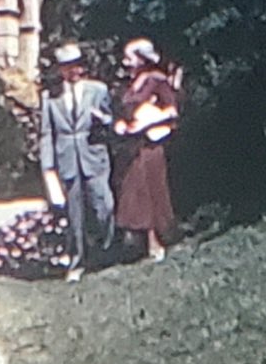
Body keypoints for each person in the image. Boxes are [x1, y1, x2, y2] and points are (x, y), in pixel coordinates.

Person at [39, 42, 116, 283]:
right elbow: (46, 134)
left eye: (75, 66)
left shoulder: (98, 90)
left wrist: (102, 118)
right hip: (67, 160)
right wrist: (48, 168)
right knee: (75, 216)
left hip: (93, 155)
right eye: (66, 67)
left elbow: (112, 122)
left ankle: (107, 251)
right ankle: (77, 261)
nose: (72, 71)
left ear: (82, 66)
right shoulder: (50, 97)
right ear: (60, 69)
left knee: (104, 205)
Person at [113, 38, 181, 262]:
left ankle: (157, 241)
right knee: (135, 192)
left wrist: (148, 122)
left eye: (129, 58)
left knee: (151, 190)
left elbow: (172, 111)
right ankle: (139, 243)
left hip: (151, 145)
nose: (125, 62)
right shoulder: (132, 85)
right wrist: (122, 124)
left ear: (141, 59)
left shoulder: (157, 81)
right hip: (134, 145)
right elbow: (125, 112)